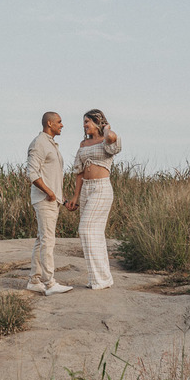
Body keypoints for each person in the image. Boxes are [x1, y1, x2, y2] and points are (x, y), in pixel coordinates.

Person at [65, 109, 121, 290]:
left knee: (86, 229)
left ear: (97, 122)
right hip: (86, 190)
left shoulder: (106, 139)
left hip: (101, 188)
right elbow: (79, 172)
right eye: (83, 122)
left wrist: (106, 129)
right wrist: (75, 196)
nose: (84, 126)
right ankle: (100, 278)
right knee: (94, 234)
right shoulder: (83, 144)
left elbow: (112, 139)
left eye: (87, 122)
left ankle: (101, 279)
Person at [25, 111, 73, 295]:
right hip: (44, 200)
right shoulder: (39, 143)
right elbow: (32, 174)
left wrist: (63, 199)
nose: (62, 125)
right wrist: (50, 193)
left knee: (41, 239)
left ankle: (34, 280)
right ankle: (50, 283)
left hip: (53, 200)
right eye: (59, 122)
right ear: (49, 123)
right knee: (47, 240)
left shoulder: (50, 144)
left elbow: (51, 176)